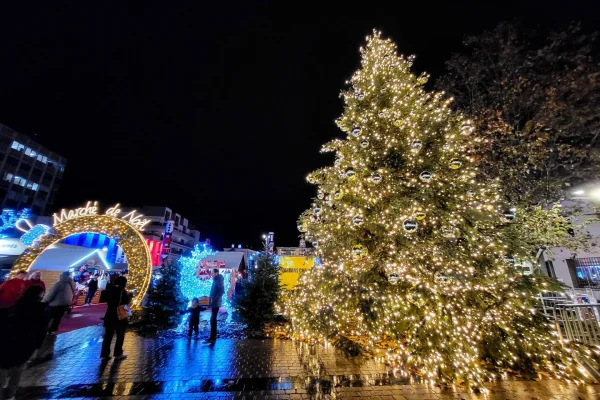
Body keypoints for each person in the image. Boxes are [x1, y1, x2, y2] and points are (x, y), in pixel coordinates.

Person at [0, 285, 47, 400]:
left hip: (8, 341)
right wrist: (37, 347)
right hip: (26, 343)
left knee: (3, 368)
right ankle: (11, 393)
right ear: (39, 296)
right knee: (18, 368)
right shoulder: (41, 310)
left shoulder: (15, 306)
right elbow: (42, 331)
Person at [100, 276, 130, 360]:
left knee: (108, 336)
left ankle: (105, 354)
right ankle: (118, 353)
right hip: (120, 315)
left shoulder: (109, 290)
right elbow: (125, 302)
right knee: (120, 335)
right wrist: (129, 296)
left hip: (109, 314)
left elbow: (103, 300)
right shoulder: (122, 291)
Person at [205, 268, 224, 343]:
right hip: (214, 302)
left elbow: (221, 291)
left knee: (213, 319)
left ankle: (213, 337)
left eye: (212, 272)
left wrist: (215, 299)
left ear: (216, 273)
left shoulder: (218, 280)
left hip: (216, 302)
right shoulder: (215, 279)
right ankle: (212, 337)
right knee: (212, 319)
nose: (211, 274)